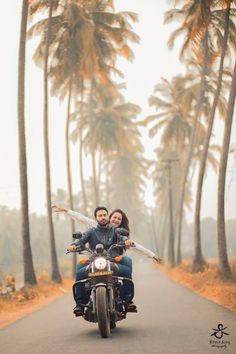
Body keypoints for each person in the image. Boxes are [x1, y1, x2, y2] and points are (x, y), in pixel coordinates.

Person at [67, 206, 134, 316]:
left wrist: (127, 241)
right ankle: (80, 304)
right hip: (95, 262)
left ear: (108, 217)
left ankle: (127, 300)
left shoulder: (115, 231)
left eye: (104, 215)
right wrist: (74, 245)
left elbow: (122, 238)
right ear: (96, 218)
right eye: (100, 215)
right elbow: (81, 239)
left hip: (112, 262)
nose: (103, 217)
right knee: (79, 273)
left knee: (126, 272)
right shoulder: (91, 231)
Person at [52, 204, 163, 264]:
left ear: (121, 222)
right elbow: (82, 219)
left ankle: (128, 300)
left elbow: (135, 245)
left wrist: (152, 255)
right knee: (80, 270)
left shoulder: (118, 232)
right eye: (114, 217)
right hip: (95, 259)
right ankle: (81, 305)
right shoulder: (94, 227)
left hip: (113, 260)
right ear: (109, 218)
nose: (115, 220)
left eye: (119, 219)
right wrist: (66, 210)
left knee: (127, 262)